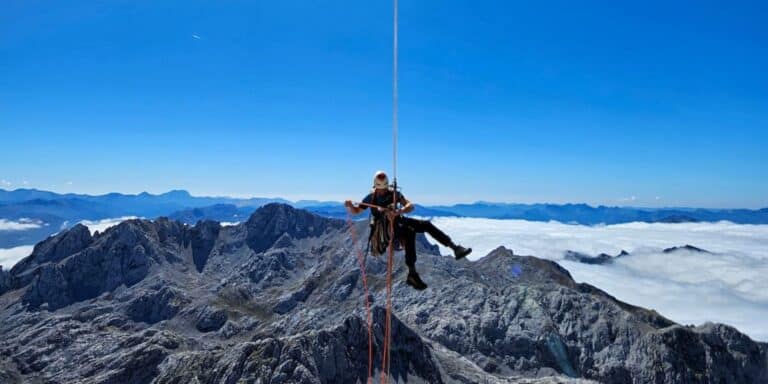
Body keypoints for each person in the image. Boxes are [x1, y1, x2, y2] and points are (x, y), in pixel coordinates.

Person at [345, 170, 472, 290]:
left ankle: (455, 248)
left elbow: (410, 206)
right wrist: (351, 206)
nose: (382, 192)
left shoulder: (394, 194)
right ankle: (412, 274)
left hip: (398, 221)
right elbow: (357, 211)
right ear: (375, 187)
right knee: (409, 231)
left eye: (384, 189)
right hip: (383, 229)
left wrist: (400, 210)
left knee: (426, 225)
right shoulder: (370, 198)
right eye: (380, 189)